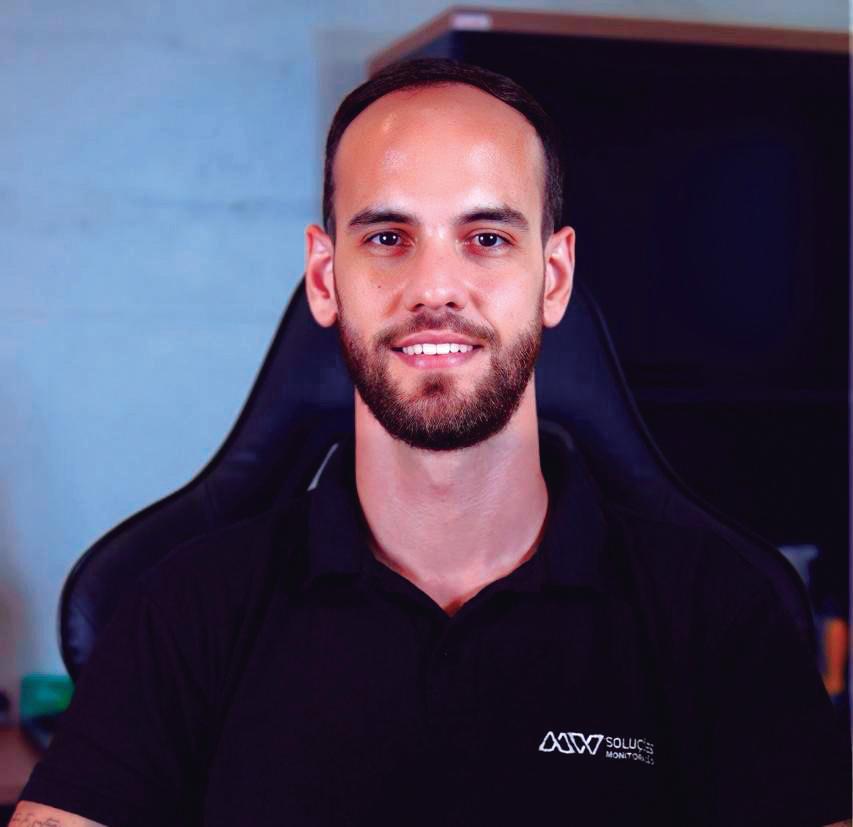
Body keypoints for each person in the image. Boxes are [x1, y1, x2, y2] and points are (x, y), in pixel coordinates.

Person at [11, 58, 852, 827]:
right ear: (324, 277)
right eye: (387, 238)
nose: (435, 288)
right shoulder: (184, 609)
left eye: (486, 238)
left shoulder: (719, 616)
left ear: (552, 277)